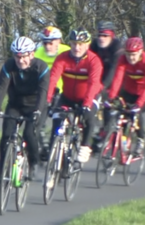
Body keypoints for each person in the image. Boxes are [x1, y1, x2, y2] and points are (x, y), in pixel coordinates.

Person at [0, 36, 50, 191]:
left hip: (36, 105)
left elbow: (44, 92)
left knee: (30, 134)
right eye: (17, 56)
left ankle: (34, 163)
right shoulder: (9, 66)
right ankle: (2, 178)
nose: (20, 60)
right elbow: (1, 87)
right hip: (16, 105)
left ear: (31, 55)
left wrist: (38, 111)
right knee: (5, 138)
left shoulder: (41, 67)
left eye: (23, 56)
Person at [46, 27, 103, 164]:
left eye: (81, 44)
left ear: (87, 45)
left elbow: (94, 84)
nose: (77, 48)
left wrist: (87, 104)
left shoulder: (93, 60)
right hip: (67, 97)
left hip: (88, 97)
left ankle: (85, 147)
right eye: (74, 44)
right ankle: (56, 149)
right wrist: (47, 100)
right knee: (57, 119)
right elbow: (52, 79)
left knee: (89, 117)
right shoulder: (62, 58)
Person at [103, 37, 145, 156]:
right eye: (128, 54)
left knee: (135, 112)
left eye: (133, 55)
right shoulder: (123, 59)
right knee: (120, 115)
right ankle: (118, 146)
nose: (131, 58)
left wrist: (138, 105)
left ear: (140, 52)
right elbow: (117, 79)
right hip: (129, 91)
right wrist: (111, 98)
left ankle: (141, 139)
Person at [35, 26, 71, 161]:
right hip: (44, 91)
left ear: (58, 41)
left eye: (51, 42)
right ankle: (43, 146)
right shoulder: (38, 52)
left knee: (58, 123)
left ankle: (54, 147)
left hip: (62, 92)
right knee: (37, 122)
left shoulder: (66, 51)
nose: (48, 46)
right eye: (45, 42)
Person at [90, 21, 124, 152]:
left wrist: (103, 88)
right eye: (99, 35)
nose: (101, 38)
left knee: (107, 104)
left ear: (112, 36)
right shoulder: (94, 45)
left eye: (105, 35)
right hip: (99, 77)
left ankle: (106, 132)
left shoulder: (117, 48)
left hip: (116, 79)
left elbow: (114, 71)